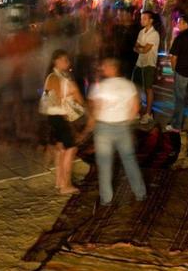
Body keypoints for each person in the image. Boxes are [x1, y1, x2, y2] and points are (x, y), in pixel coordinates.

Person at [89, 58, 146, 205]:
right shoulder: (128, 86)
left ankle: (106, 199)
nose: (102, 69)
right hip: (122, 127)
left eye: (104, 67)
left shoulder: (100, 87)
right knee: (129, 160)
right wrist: (126, 123)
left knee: (105, 164)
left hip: (103, 128)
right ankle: (140, 193)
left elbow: (96, 109)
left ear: (110, 68)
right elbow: (135, 108)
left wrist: (90, 127)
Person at [43, 50, 86, 195]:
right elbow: (65, 97)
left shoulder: (51, 76)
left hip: (52, 117)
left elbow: (48, 100)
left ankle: (59, 182)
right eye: (66, 60)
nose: (68, 63)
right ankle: (65, 185)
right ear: (57, 61)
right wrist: (71, 91)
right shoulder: (60, 78)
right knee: (71, 148)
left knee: (61, 149)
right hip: (60, 117)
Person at [132, 11, 160, 125]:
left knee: (148, 88)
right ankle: (137, 111)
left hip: (149, 63)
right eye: (141, 18)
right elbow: (137, 46)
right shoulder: (141, 32)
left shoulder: (154, 34)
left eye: (144, 18)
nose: (141, 20)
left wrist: (139, 48)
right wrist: (140, 48)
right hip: (140, 63)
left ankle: (148, 114)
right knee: (136, 87)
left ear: (151, 20)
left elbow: (145, 49)